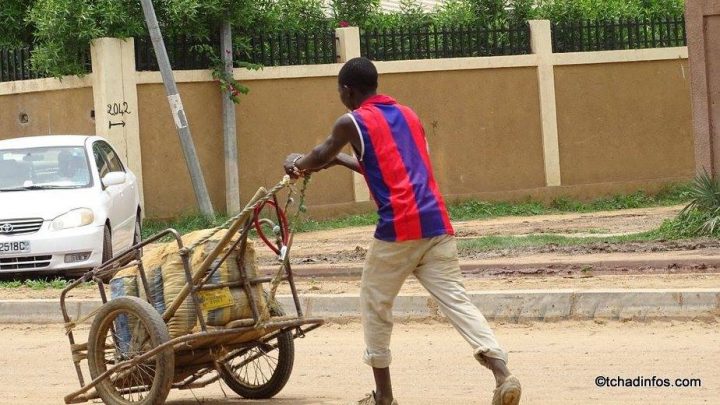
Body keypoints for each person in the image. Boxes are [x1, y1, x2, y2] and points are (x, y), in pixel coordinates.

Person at [283, 57, 521, 405]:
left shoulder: (352, 121)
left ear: (348, 90)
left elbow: (319, 153)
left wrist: (295, 166)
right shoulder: (409, 116)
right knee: (456, 301)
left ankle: (384, 397)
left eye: (340, 91)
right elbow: (387, 168)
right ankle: (502, 374)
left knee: (374, 303)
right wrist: (340, 161)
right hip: (437, 224)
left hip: (399, 227)